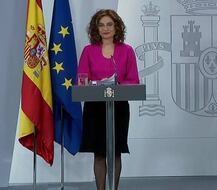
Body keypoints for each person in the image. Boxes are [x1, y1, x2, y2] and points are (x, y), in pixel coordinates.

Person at [77, 9, 139, 190]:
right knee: (99, 154)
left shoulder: (127, 51)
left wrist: (117, 84)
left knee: (115, 153)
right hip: (94, 109)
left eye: (109, 24)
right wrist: (90, 83)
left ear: (117, 27)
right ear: (96, 28)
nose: (105, 28)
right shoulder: (89, 51)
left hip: (118, 107)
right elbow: (81, 79)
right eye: (101, 25)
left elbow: (133, 80)